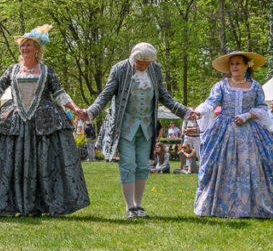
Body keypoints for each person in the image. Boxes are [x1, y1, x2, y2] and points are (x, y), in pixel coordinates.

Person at [0, 25, 90, 217]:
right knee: (9, 161)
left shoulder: (46, 71)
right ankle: (9, 202)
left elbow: (59, 93)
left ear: (37, 49)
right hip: (14, 120)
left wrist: (76, 108)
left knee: (43, 162)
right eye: (23, 46)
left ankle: (39, 205)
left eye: (29, 45)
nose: (25, 49)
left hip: (42, 122)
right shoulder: (12, 70)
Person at [84, 43, 198, 218]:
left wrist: (185, 112)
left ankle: (138, 205)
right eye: (140, 62)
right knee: (128, 164)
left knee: (143, 166)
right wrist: (90, 112)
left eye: (147, 63)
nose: (143, 66)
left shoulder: (156, 70)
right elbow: (105, 95)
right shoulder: (120, 69)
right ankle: (130, 206)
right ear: (133, 57)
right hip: (125, 126)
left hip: (146, 127)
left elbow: (165, 96)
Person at [194, 51, 273, 218]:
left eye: (238, 63)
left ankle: (254, 208)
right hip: (224, 131)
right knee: (219, 166)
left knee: (251, 166)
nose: (234, 67)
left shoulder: (255, 86)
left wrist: (248, 115)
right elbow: (211, 102)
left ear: (246, 66)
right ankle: (218, 207)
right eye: (232, 64)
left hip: (249, 132)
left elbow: (262, 108)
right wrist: (199, 112)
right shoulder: (221, 85)